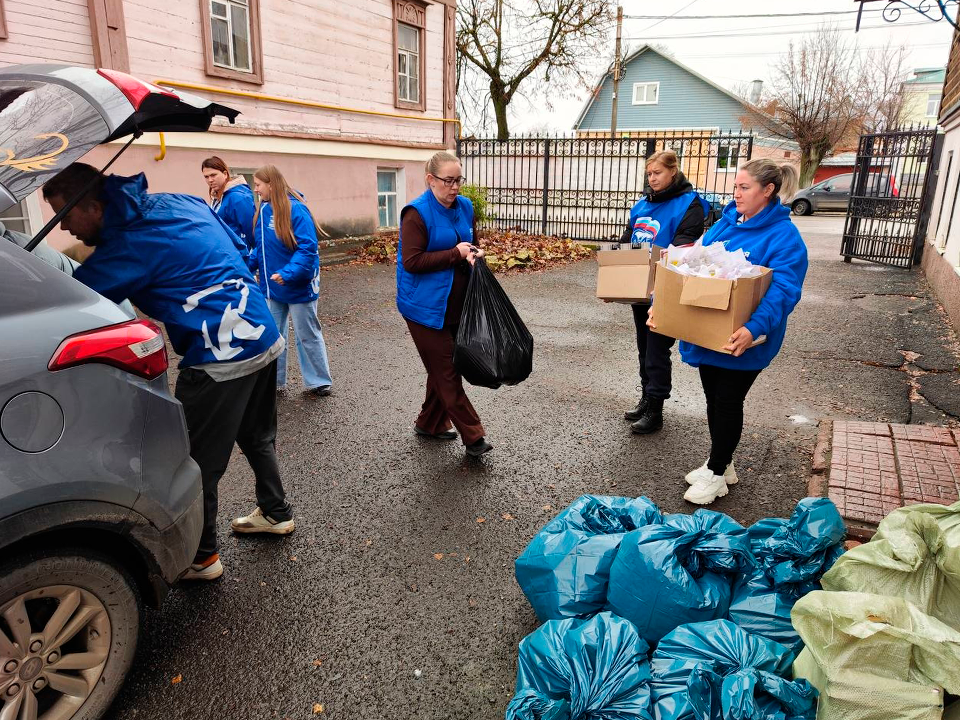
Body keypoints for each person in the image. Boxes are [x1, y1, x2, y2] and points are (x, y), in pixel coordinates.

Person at [42, 163, 296, 581]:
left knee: (192, 463)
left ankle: (202, 556)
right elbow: (237, 246)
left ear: (91, 205)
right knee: (257, 434)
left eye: (64, 215)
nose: (65, 228)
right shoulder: (180, 202)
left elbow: (72, 304)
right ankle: (276, 511)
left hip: (219, 356)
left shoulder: (125, 248)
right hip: (262, 333)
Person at [649, 159, 807, 505]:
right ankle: (724, 463)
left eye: (744, 187)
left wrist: (753, 328)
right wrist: (661, 306)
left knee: (728, 401)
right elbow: (690, 266)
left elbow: (784, 291)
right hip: (709, 331)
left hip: (746, 339)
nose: (736, 194)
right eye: (735, 186)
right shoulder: (726, 224)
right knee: (713, 399)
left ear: (768, 190)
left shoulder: (785, 238)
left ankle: (717, 471)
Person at [397, 150, 492, 457]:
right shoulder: (417, 213)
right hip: (422, 307)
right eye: (448, 181)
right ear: (431, 180)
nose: (455, 187)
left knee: (441, 367)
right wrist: (456, 253)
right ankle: (474, 437)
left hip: (457, 303)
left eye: (458, 180)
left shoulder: (464, 206)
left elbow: (470, 242)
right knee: (448, 369)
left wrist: (474, 255)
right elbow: (412, 261)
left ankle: (429, 423)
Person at [620, 150, 708, 434]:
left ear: (673, 171)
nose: (652, 179)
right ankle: (646, 397)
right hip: (639, 285)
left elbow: (684, 243)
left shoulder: (690, 204)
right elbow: (627, 239)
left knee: (657, 349)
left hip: (666, 286)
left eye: (657, 173)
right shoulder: (642, 205)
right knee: (643, 347)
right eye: (649, 174)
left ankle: (656, 409)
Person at [250, 164, 333, 397]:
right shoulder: (264, 210)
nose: (255, 190)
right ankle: (274, 382)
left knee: (307, 333)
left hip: (297, 285)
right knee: (274, 336)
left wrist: (288, 274)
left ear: (271, 184)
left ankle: (318, 381)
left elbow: (308, 248)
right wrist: (245, 267)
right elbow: (260, 248)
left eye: (258, 185)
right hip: (272, 287)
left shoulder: (296, 210)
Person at [202, 156, 256, 251]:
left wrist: (250, 261)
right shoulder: (217, 197)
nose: (210, 180)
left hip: (240, 258)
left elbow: (252, 232)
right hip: (225, 255)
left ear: (225, 174)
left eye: (213, 175)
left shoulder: (238, 198)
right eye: (206, 177)